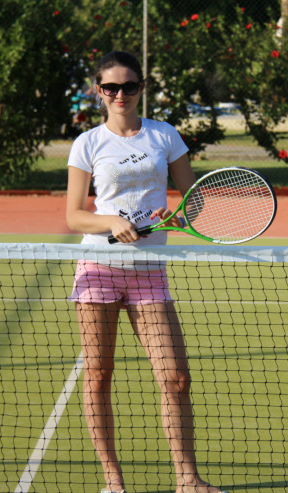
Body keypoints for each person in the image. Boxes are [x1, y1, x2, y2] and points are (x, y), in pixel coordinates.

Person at [65, 51, 227, 493]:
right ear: (99, 91)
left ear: (141, 88)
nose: (120, 94)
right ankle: (113, 481)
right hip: (98, 268)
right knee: (98, 376)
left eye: (129, 86)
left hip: (148, 271)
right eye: (111, 87)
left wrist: (178, 215)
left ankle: (187, 480)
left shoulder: (164, 135)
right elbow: (75, 217)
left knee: (176, 377)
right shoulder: (88, 144)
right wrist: (111, 222)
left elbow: (194, 199)